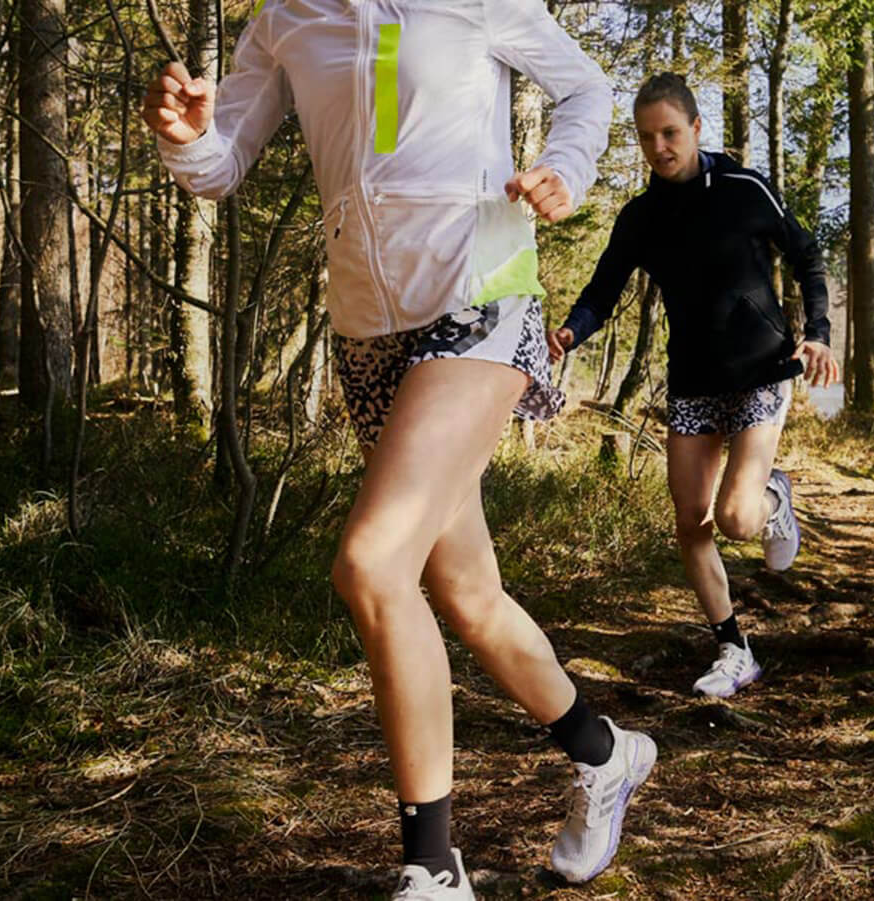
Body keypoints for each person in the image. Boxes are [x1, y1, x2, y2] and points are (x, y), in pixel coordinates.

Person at [142, 2, 655, 896]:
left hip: (480, 291)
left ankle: (433, 866)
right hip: (370, 331)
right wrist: (187, 137)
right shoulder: (284, 20)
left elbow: (584, 88)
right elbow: (223, 162)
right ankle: (606, 755)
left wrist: (564, 172)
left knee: (373, 565)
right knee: (466, 591)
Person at [548, 73, 840, 701]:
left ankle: (774, 496)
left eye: (671, 133)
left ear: (696, 128)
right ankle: (734, 649)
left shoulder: (744, 187)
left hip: (762, 370)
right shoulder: (642, 217)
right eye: (647, 137)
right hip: (693, 383)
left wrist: (817, 331)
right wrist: (572, 331)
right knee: (690, 520)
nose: (660, 147)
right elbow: (603, 291)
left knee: (736, 517)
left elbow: (807, 255)